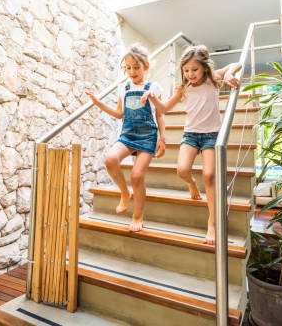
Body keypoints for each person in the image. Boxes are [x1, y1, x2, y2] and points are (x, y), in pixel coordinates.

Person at [144, 45, 241, 244]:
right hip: (191, 135)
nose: (190, 74)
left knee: (209, 175)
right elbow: (164, 108)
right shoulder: (183, 88)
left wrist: (229, 73)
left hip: (211, 135)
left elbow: (236, 63)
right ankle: (192, 185)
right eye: (186, 70)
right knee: (182, 170)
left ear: (205, 67)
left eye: (194, 69)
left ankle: (212, 223)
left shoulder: (213, 80)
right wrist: (153, 99)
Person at [85, 44, 166, 232]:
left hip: (148, 136)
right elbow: (119, 114)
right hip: (128, 134)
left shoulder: (154, 87)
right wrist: (98, 103)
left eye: (136, 67)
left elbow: (160, 114)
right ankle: (124, 192)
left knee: (137, 176)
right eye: (128, 68)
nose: (132, 71)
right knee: (110, 159)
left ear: (145, 67)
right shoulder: (125, 87)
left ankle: (138, 216)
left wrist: (162, 139)